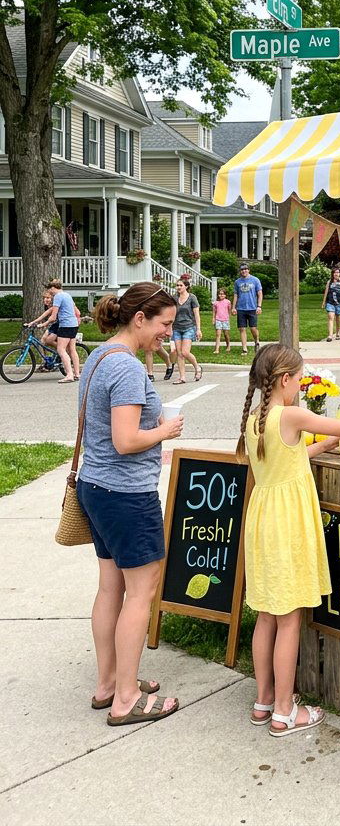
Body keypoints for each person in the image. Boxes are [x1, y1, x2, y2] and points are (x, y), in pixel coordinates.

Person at [237, 344, 340, 736]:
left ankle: (263, 701)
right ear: (285, 380)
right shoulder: (291, 413)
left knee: (266, 616)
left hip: (261, 520)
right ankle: (285, 710)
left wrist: (319, 446)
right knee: (289, 619)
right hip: (287, 523)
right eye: (298, 376)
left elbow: (285, 456)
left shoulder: (255, 419)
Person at [76, 281, 183, 726]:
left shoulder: (99, 356)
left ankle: (109, 684)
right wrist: (165, 430)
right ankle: (126, 698)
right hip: (125, 494)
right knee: (141, 592)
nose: (168, 334)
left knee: (110, 588)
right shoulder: (127, 369)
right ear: (139, 319)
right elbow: (125, 440)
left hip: (95, 487)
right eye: (164, 325)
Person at [28, 278, 81, 383]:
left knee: (61, 350)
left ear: (53, 288)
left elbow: (53, 317)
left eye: (50, 290)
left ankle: (69, 375)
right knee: (72, 350)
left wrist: (43, 324)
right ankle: (77, 374)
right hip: (73, 324)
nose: (50, 292)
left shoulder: (58, 296)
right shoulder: (67, 295)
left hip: (65, 325)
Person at [171, 279, 202, 385]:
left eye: (181, 285)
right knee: (179, 354)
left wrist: (198, 329)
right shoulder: (174, 298)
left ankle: (197, 367)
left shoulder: (192, 298)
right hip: (176, 328)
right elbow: (171, 313)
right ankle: (182, 377)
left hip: (189, 327)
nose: (178, 287)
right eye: (177, 285)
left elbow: (196, 314)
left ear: (186, 286)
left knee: (185, 352)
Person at [232, 261, 263, 355]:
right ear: (240, 271)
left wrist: (259, 306)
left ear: (248, 270)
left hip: (252, 308)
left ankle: (256, 341)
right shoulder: (237, 282)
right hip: (241, 308)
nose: (243, 271)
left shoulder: (255, 280)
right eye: (242, 270)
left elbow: (259, 293)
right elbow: (236, 295)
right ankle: (244, 348)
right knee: (242, 328)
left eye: (245, 269)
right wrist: (233, 307)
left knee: (253, 328)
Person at [322, 264, 340, 342]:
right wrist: (324, 302)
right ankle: (330, 335)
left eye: (338, 272)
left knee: (338, 318)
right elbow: (326, 292)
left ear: (339, 274)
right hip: (330, 302)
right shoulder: (329, 282)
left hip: (339, 303)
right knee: (330, 317)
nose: (336, 274)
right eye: (335, 272)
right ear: (332, 273)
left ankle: (338, 332)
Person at [212, 287, 233, 354]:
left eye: (223, 294)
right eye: (220, 294)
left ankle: (228, 345)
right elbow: (214, 312)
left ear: (225, 295)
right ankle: (217, 349)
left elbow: (229, 310)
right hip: (218, 320)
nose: (221, 295)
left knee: (226, 334)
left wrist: (228, 317)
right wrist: (213, 319)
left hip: (225, 320)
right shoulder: (216, 303)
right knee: (218, 334)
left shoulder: (228, 302)